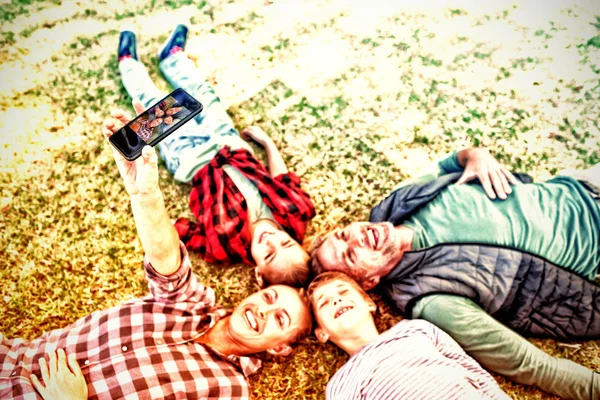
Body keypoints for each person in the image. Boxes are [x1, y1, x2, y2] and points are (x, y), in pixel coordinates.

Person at [0, 109, 313, 400]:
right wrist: (144, 193)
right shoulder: (194, 304)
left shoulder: (229, 391)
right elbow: (165, 258)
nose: (263, 311)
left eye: (279, 319)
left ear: (280, 349)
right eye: (269, 299)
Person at [310, 147, 600, 399]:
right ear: (368, 283)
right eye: (350, 255)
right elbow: (529, 364)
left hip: (576, 185)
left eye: (344, 234)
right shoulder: (431, 300)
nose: (357, 238)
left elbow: (451, 163)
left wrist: (475, 155)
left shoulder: (399, 202)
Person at [117, 23, 315, 287]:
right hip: (232, 145)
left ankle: (128, 64)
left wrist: (149, 206)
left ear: (258, 272)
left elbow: (177, 230)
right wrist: (266, 142)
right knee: (205, 95)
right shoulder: (295, 215)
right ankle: (173, 59)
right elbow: (283, 179)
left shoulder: (223, 246)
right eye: (285, 242)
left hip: (191, 158)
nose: (271, 239)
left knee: (153, 103)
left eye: (268, 254)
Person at [307, 271, 509, 399]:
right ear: (321, 333)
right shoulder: (342, 384)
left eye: (343, 292)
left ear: (369, 303)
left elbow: (470, 368)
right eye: (324, 303)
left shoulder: (415, 330)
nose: (336, 300)